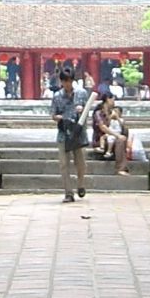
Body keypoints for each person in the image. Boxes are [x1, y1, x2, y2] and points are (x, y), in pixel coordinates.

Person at [50, 67, 89, 202]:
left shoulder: (82, 93)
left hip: (78, 133)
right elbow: (53, 115)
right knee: (64, 164)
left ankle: (81, 184)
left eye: (69, 81)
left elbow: (87, 110)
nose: (67, 84)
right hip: (63, 133)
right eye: (64, 81)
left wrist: (82, 110)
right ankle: (68, 192)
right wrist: (61, 117)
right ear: (61, 81)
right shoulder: (57, 96)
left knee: (80, 163)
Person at [92, 92, 130, 175]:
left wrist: (118, 118)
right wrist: (117, 135)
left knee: (122, 137)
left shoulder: (113, 112)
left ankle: (121, 168)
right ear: (107, 100)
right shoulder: (98, 113)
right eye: (113, 100)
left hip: (113, 139)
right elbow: (103, 127)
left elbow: (121, 127)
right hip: (101, 140)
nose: (114, 102)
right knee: (119, 139)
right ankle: (120, 167)